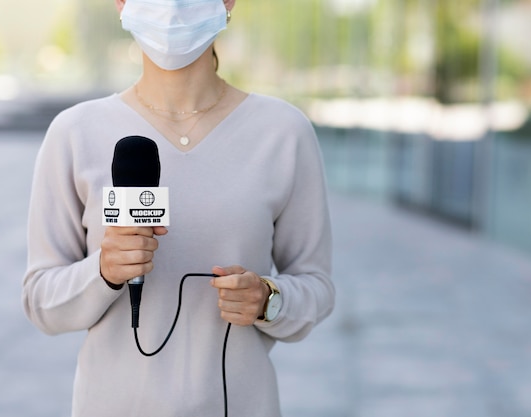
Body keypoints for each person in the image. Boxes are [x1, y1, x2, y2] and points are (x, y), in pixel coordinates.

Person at [22, 0, 335, 415]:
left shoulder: (283, 132)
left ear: (227, 2)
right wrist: (103, 272)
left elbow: (317, 285)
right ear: (122, 2)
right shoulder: (74, 133)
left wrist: (267, 299)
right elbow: (40, 301)